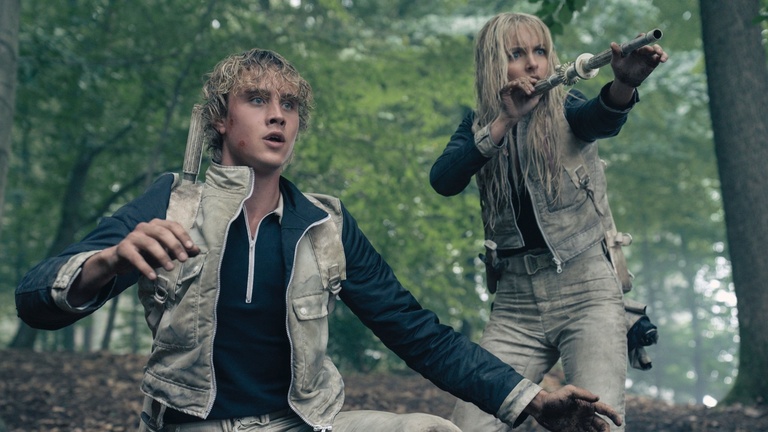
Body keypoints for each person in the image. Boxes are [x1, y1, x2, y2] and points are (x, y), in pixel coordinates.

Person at [15, 48, 622, 432]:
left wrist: (531, 400)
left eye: (289, 105)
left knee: (436, 431)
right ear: (221, 118)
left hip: (306, 423)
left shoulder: (324, 224)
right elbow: (34, 298)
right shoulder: (172, 202)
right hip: (194, 423)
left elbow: (419, 335)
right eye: (257, 100)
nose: (277, 114)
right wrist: (105, 262)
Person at [429, 13, 667, 432]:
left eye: (540, 51)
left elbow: (600, 118)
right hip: (515, 303)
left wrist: (624, 84)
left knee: (598, 423)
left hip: (587, 290)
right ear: (492, 65)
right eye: (516, 54)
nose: (533, 63)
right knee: (469, 426)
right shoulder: (477, 125)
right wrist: (505, 120)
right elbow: (443, 180)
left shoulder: (566, 105)